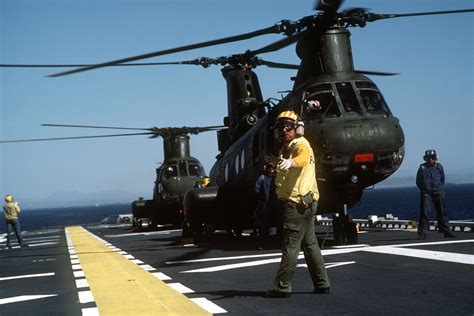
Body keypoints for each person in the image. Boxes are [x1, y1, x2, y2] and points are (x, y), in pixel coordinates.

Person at [265, 110, 330, 298]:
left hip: (296, 205)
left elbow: (301, 157)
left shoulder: (299, 144)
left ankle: (282, 287)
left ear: (297, 129)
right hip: (308, 203)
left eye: (288, 126)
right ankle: (322, 283)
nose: (284, 130)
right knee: (310, 244)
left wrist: (291, 162)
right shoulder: (287, 148)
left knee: (290, 246)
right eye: (281, 127)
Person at [416, 149, 456, 239]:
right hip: (426, 193)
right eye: (428, 158)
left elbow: (442, 179)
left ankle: (446, 230)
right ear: (426, 159)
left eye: (432, 158)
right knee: (425, 213)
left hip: (438, 191)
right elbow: (418, 181)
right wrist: (424, 189)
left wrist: (440, 189)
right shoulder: (422, 167)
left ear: (435, 158)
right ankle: (423, 232)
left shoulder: (439, 166)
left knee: (442, 211)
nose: (430, 160)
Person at [252, 155, 277, 245]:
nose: (271, 170)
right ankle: (264, 239)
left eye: (272, 168)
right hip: (266, 203)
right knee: (264, 222)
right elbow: (257, 189)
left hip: (274, 203)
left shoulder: (275, 178)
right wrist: (261, 199)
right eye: (270, 168)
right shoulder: (263, 178)